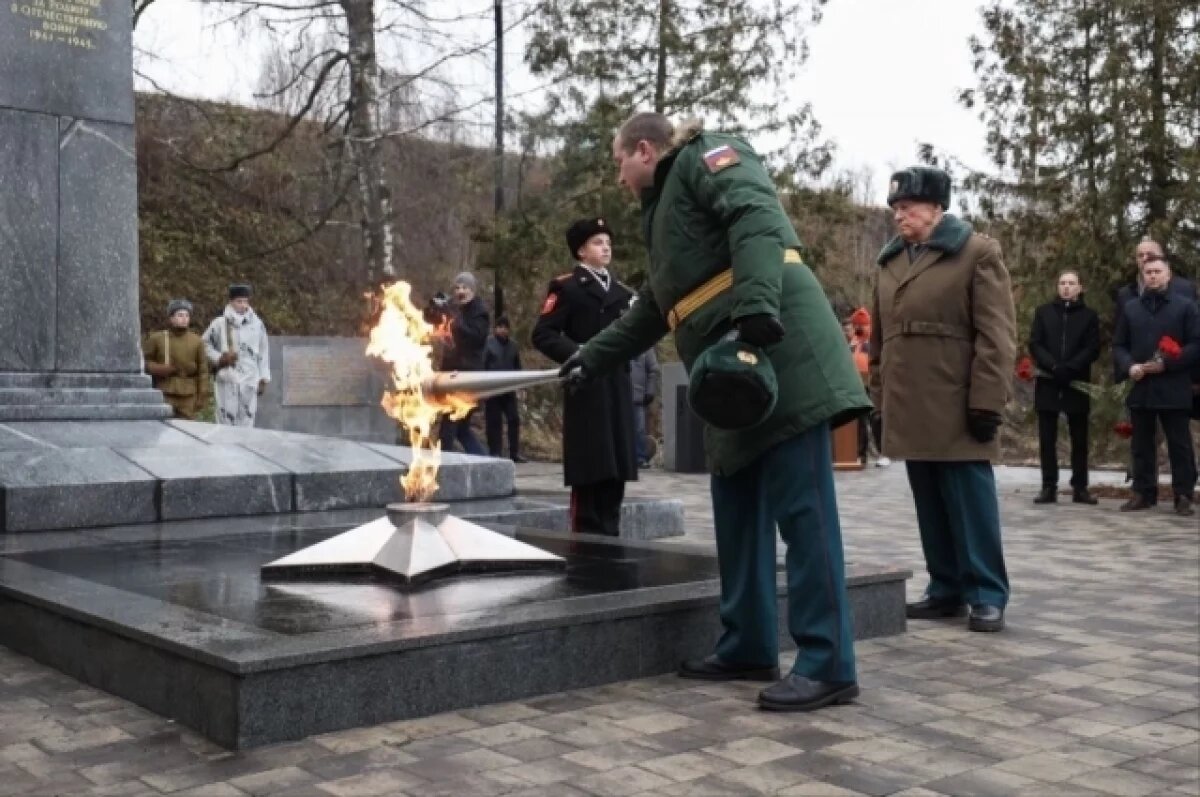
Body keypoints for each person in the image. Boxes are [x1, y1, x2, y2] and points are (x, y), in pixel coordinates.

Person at [558, 112, 870, 712]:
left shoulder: (710, 156)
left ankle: (829, 662)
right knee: (737, 511)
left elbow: (756, 216)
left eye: (619, 162)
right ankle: (749, 643)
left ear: (643, 150)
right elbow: (654, 306)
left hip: (777, 356)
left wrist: (755, 307)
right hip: (731, 377)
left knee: (803, 513)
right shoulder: (664, 212)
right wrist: (590, 360)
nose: (619, 177)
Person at [870, 166, 1016, 633]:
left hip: (957, 398)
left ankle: (987, 592)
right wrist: (878, 402)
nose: (900, 215)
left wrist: (987, 401)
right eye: (895, 208)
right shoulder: (889, 260)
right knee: (929, 498)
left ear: (937, 207)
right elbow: (880, 339)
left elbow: (996, 335)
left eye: (908, 206)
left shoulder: (976, 252)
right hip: (909, 399)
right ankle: (946, 587)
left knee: (969, 500)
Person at [532, 218, 638, 536]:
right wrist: (578, 354)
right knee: (590, 475)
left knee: (614, 475)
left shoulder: (623, 293)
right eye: (597, 242)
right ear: (581, 251)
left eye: (607, 242)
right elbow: (543, 334)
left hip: (616, 388)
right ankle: (587, 552)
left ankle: (612, 539)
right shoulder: (567, 288)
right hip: (586, 388)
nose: (605, 247)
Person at [1113, 255, 1199, 516]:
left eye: (1157, 271)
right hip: (1141, 386)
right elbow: (1119, 345)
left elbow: (1196, 345)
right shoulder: (1131, 309)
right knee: (1141, 443)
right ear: (1142, 276)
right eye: (1148, 272)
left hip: (1174, 385)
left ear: (1168, 275)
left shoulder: (1186, 307)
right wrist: (1129, 365)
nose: (1152, 276)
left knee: (1179, 444)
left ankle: (1183, 494)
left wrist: (1168, 364)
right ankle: (1143, 492)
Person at [1029, 271, 1100, 505]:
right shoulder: (1044, 312)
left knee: (1079, 438)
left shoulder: (1089, 316)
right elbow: (1035, 343)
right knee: (1047, 437)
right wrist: (1052, 365)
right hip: (1049, 381)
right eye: (1062, 283)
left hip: (1075, 381)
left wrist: (1070, 367)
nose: (1066, 287)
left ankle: (1080, 487)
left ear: (1080, 287)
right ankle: (1048, 486)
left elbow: (1092, 348)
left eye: (1071, 283)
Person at [437, 272, 489, 456]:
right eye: (457, 287)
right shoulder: (455, 308)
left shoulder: (480, 312)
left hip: (466, 377)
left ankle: (444, 467)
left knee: (449, 428)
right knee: (462, 430)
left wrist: (454, 318)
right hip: (452, 374)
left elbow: (475, 337)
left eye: (465, 287)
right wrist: (437, 308)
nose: (460, 291)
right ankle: (486, 464)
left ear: (473, 290)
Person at [203, 284, 270, 427]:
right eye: (239, 301)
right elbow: (204, 345)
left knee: (247, 421)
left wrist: (263, 378)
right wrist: (219, 358)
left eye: (245, 301)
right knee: (224, 421)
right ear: (231, 302)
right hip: (227, 378)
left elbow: (264, 351)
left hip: (250, 378)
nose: (243, 305)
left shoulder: (257, 325)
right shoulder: (220, 323)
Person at [142, 299, 209, 420]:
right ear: (171, 318)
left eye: (187, 315)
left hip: (188, 395)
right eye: (180, 315)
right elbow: (143, 363)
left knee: (188, 429)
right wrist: (157, 369)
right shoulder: (158, 339)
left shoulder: (197, 341)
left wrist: (202, 395)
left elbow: (203, 371)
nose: (184, 319)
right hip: (164, 391)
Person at [482, 316, 525, 462]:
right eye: (499, 327)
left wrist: (520, 386)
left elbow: (517, 366)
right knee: (494, 422)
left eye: (505, 327)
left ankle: (514, 452)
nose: (502, 330)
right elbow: (482, 366)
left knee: (514, 419)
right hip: (493, 388)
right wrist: (483, 388)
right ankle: (495, 451)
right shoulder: (488, 344)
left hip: (509, 387)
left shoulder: (513, 346)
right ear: (495, 328)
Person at [630, 347, 660, 467]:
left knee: (639, 429)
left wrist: (650, 391)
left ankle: (640, 458)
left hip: (638, 397)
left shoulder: (646, 346)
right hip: (618, 396)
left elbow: (653, 370)